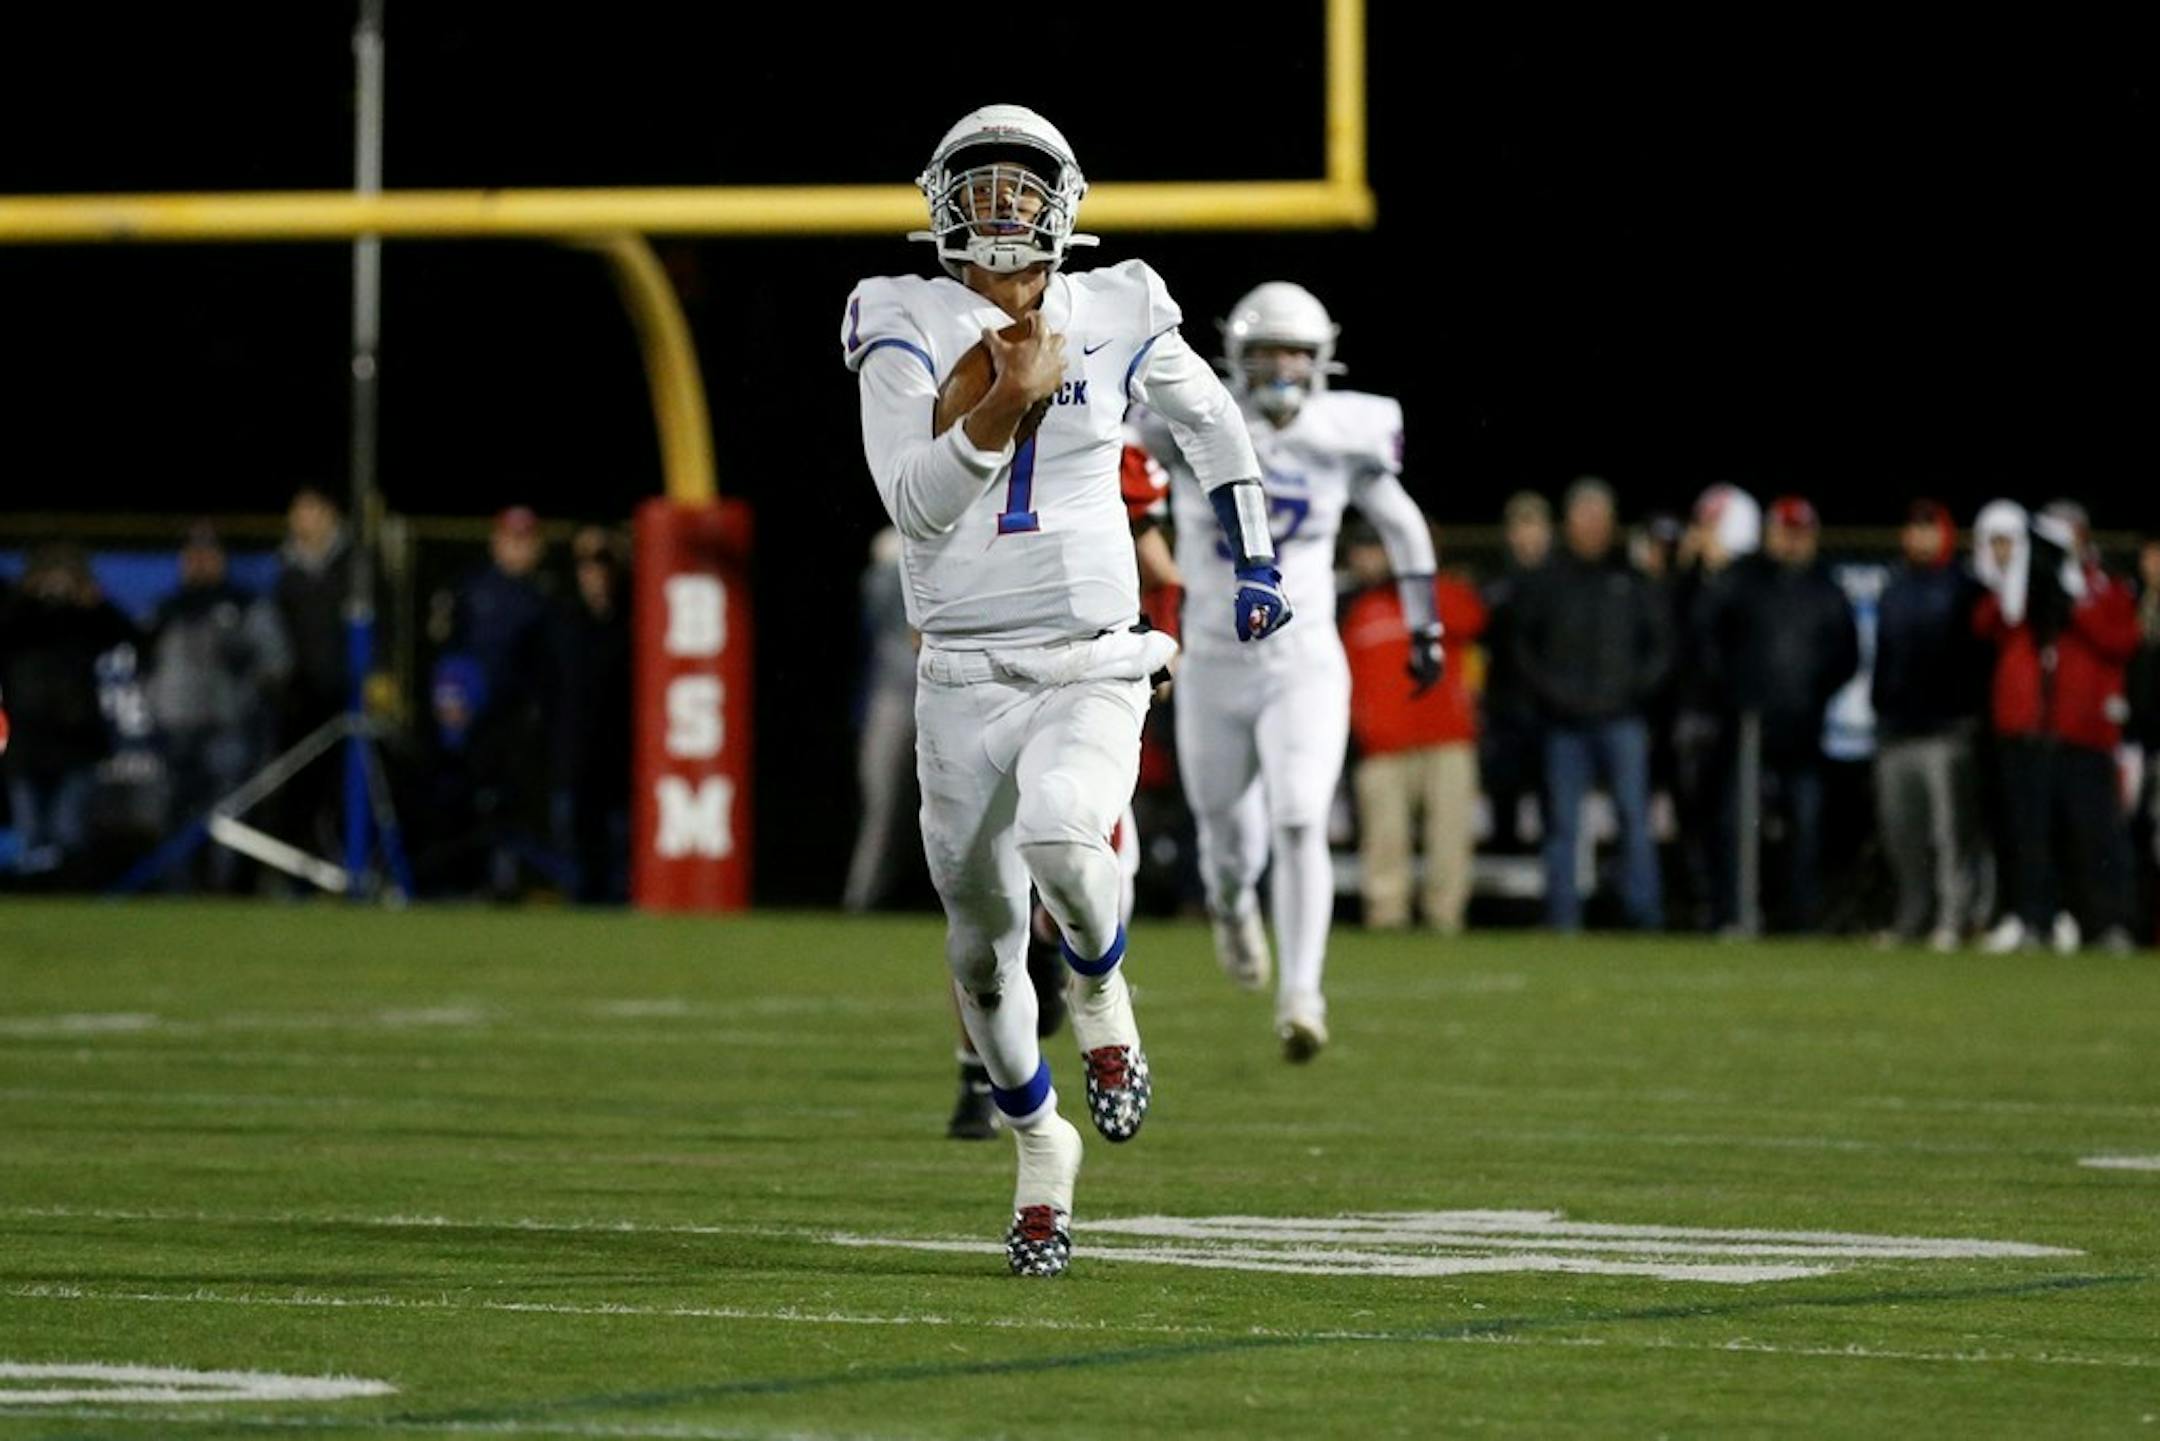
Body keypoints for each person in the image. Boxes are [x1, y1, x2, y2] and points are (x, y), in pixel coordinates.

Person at [841, 104, 1290, 1276]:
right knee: (980, 951)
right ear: (940, 200)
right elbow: (916, 500)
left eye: (1018, 185)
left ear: (1064, 201)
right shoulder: (897, 313)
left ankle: (1100, 994)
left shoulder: (1122, 304)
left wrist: (1255, 559)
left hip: (1091, 654)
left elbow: (1214, 424)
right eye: (977, 185)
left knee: (1060, 829)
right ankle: (1042, 1147)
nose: (998, 208)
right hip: (959, 675)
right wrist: (1003, 399)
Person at [1138, 281, 1443, 1062]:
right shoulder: (1193, 421)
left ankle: (1302, 992)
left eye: (1294, 354)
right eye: (1265, 351)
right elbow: (1124, 489)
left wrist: (1425, 625)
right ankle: (1235, 904)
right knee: (1229, 842)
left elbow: (1402, 525)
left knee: (1302, 815)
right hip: (1212, 659)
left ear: (1321, 361)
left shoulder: (1346, 434)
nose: (1279, 368)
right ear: (1235, 357)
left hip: (1303, 660)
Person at [1972, 500, 2139, 953]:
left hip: (2085, 733)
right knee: (2029, 834)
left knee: (2093, 835)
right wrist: (2020, 579)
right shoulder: (2029, 584)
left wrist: (2076, 601)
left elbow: (2122, 639)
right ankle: (2033, 919)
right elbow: (1989, 623)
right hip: (2031, 731)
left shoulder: (2105, 585)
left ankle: (2106, 924)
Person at [1511, 477, 1672, 931]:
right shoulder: (1549, 579)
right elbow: (1524, 646)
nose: (1591, 527)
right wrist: (1553, 694)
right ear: (1569, 523)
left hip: (1621, 718)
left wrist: (1631, 692)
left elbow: (1660, 646)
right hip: (1563, 721)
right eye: (1583, 518)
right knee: (1562, 825)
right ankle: (1562, 917)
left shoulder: (1631, 578)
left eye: (1599, 518)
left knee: (1634, 821)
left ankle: (1643, 918)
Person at [1695, 496, 1860, 933]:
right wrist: (1732, 692)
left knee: (1805, 828)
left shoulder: (1825, 586)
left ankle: (1799, 918)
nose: (1791, 541)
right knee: (1738, 825)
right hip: (1748, 728)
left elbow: (1847, 654)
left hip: (1803, 729)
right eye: (1784, 531)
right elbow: (1708, 635)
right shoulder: (1743, 580)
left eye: (1799, 533)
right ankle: (1735, 912)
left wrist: (1815, 694)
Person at [1342, 522, 1485, 932]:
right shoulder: (1361, 608)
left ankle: (1445, 915)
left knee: (1449, 837)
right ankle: (1388, 915)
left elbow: (1474, 620)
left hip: (1446, 738)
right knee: (1384, 840)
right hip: (1383, 745)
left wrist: (1416, 574)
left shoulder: (1439, 595)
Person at [142, 523, 291, 891]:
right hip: (175, 725)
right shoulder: (167, 607)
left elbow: (277, 662)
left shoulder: (244, 604)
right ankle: (177, 892)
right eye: (192, 554)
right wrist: (154, 707)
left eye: (207, 554)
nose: (199, 562)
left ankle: (224, 891)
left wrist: (247, 676)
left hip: (228, 725)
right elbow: (143, 666)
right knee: (174, 811)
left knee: (226, 814)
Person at [1870, 500, 1989, 948]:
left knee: (1950, 833)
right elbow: (1883, 655)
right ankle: (1912, 914)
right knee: (1901, 831)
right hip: (1896, 726)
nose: (1920, 537)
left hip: (1947, 727)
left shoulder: (1964, 587)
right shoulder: (1895, 586)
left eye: (1929, 528)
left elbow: (1977, 659)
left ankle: (1953, 916)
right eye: (1914, 528)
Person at [440, 505, 561, 899]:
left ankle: (503, 882)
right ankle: (459, 881)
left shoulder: (543, 597)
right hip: (469, 714)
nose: (518, 549)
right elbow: (448, 653)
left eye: (526, 541)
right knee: (463, 799)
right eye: (511, 539)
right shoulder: (472, 589)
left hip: (518, 720)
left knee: (510, 807)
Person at [0, 544, 139, 876]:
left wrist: (95, 601)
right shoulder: (20, 613)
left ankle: (68, 893)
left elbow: (130, 638)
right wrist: (27, 596)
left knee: (68, 830)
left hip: (77, 737)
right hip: (26, 737)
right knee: (30, 832)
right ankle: (35, 897)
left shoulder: (83, 617)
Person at [271, 485, 354, 859]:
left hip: (345, 697)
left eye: (311, 510)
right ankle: (296, 871)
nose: (303, 519)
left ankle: (344, 861)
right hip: (299, 701)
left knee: (344, 787)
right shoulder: (283, 573)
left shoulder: (356, 567)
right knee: (297, 788)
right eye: (298, 510)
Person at [553, 525, 632, 904]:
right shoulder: (561, 620)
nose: (594, 575)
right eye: (585, 565)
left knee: (619, 855)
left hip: (619, 758)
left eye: (603, 564)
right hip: (575, 755)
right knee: (578, 854)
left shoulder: (633, 621)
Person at [1478, 492, 1551, 855]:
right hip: (1505, 700)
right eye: (1519, 527)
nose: (1526, 536)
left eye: (1533, 526)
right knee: (1503, 788)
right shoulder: (1495, 583)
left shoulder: (1562, 578)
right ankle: (1504, 853)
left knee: (1551, 794)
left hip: (1552, 703)